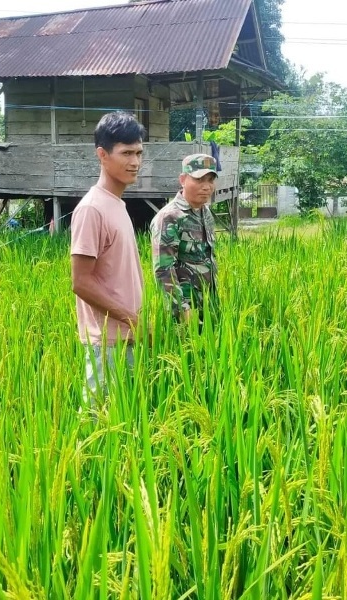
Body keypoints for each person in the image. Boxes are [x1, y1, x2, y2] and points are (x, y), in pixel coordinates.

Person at [70, 111, 146, 407]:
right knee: (100, 429)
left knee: (126, 426)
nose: (135, 162)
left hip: (128, 337)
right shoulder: (92, 209)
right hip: (107, 343)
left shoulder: (117, 204)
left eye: (139, 152)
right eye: (126, 153)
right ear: (102, 155)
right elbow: (81, 282)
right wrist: (133, 319)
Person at [150, 153, 218, 324]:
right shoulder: (169, 217)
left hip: (208, 305)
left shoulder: (206, 213)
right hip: (184, 313)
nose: (206, 187)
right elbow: (163, 270)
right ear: (182, 179)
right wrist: (182, 310)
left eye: (210, 180)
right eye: (199, 180)